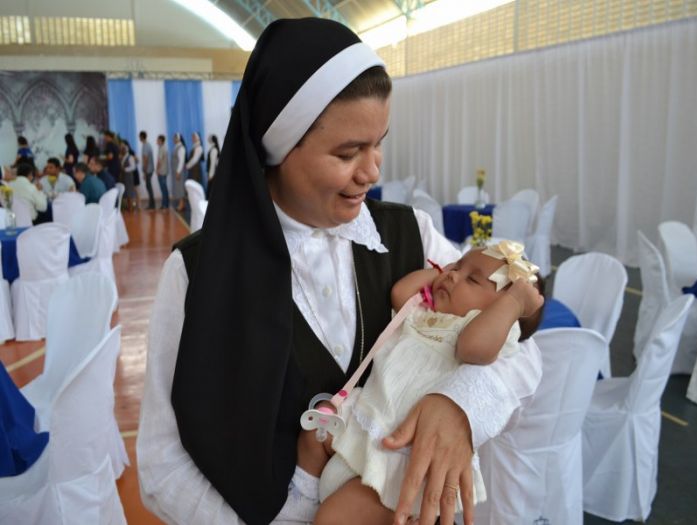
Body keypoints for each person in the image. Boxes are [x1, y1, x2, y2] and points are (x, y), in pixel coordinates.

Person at [137, 18, 542, 525]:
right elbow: (161, 466)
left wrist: (459, 405)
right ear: (279, 147)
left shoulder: (410, 236)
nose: (372, 171)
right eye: (348, 153)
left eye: (379, 143)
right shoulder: (197, 274)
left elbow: (525, 348)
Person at [309, 243, 544, 523]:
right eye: (456, 266)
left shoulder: (477, 332)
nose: (453, 274)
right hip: (365, 422)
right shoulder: (425, 311)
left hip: (399, 458)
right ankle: (299, 499)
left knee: (333, 517)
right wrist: (443, 273)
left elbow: (474, 348)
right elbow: (399, 293)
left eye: (472, 279)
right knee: (314, 432)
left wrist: (514, 302)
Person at [120, 140, 138, 211]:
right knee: (127, 192)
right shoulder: (123, 157)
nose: (122, 151)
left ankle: (131, 207)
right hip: (125, 176)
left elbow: (133, 167)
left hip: (129, 176)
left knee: (130, 192)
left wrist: (125, 169)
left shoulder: (130, 157)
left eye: (123, 149)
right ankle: (129, 207)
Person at [140, 131, 156, 210]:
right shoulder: (147, 145)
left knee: (148, 187)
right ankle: (152, 204)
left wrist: (144, 171)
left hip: (148, 169)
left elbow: (145, 159)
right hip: (150, 169)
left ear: (142, 137)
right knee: (148, 186)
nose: (139, 138)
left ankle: (152, 205)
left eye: (139, 137)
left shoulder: (145, 146)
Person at [171, 133, 186, 212]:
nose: (173, 139)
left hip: (178, 171)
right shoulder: (176, 147)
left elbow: (181, 161)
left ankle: (181, 204)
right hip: (176, 171)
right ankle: (181, 203)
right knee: (178, 187)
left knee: (180, 188)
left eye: (174, 138)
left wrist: (178, 172)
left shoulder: (181, 148)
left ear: (178, 139)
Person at [155, 134, 170, 210]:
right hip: (164, 171)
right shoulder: (163, 148)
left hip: (161, 171)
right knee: (164, 188)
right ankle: (165, 204)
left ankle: (165, 205)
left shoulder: (161, 149)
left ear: (161, 140)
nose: (157, 141)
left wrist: (157, 169)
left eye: (158, 140)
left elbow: (159, 161)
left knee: (163, 188)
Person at [206, 134, 220, 198]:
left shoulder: (214, 150)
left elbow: (213, 164)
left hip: (213, 174)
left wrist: (211, 175)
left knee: (211, 190)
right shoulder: (213, 149)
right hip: (213, 173)